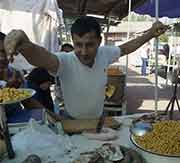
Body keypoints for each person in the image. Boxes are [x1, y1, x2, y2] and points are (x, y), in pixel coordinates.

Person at [4, 16, 169, 119]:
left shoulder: (105, 53)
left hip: (99, 119)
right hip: (70, 120)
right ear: (73, 41)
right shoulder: (64, 61)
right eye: (78, 45)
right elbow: (43, 57)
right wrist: (26, 46)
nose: (83, 52)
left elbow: (127, 47)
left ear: (99, 40)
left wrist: (150, 34)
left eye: (89, 45)